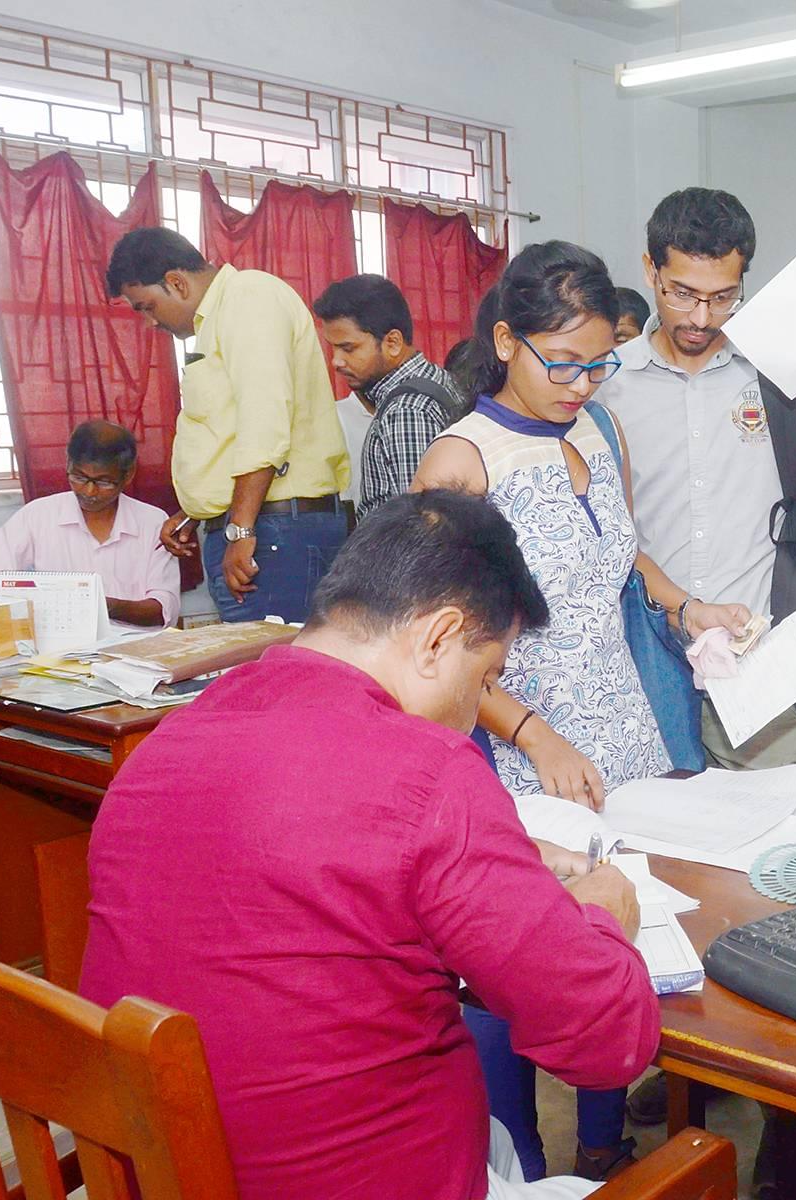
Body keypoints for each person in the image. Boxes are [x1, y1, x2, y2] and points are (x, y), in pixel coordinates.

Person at [77, 489, 658, 1200]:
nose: (476, 707)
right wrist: (604, 915)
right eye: (486, 678)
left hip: (173, 1171)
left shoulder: (164, 748)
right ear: (439, 638)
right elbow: (606, 1040)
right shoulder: (429, 775)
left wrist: (504, 856)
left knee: (501, 1145)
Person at [412, 242, 749, 1179]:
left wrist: (686, 606)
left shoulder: (598, 428)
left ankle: (604, 1145)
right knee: (508, 962)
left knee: (621, 935)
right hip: (517, 739)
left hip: (621, 728)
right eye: (562, 361)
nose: (581, 382)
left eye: (599, 361)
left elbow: (625, 556)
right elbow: (430, 647)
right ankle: (518, 1160)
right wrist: (529, 730)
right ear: (506, 339)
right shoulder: (461, 463)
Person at [596, 188, 796, 770]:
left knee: (788, 839)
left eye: (723, 297)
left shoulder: (778, 374)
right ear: (650, 270)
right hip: (646, 657)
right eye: (683, 294)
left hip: (759, 663)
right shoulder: (606, 386)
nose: (701, 318)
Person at [105, 227, 349, 623]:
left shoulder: (248, 299)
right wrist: (197, 512)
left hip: (274, 533)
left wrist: (239, 530)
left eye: (146, 306)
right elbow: (230, 434)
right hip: (265, 527)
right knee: (260, 673)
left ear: (176, 282)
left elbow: (264, 423)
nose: (150, 323)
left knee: (273, 675)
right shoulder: (219, 320)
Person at [0, 421, 179, 626]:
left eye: (103, 482)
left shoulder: (153, 522)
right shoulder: (39, 515)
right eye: (79, 478)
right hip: (57, 651)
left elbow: (163, 610)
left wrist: (102, 606)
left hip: (136, 650)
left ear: (128, 474)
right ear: (68, 465)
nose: (89, 491)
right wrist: (29, 598)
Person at [314, 274, 467, 522]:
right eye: (332, 348)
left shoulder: (407, 409)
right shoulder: (438, 380)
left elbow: (421, 527)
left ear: (393, 342)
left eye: (348, 348)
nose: (336, 361)